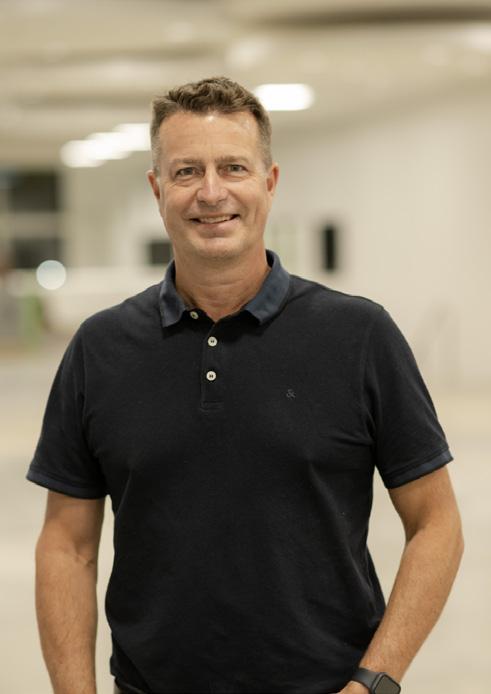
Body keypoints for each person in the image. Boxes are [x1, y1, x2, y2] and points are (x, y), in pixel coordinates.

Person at [28, 76, 464, 694]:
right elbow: (67, 545)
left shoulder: (359, 336)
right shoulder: (99, 348)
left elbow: (436, 524)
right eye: (186, 172)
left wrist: (373, 683)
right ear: (157, 189)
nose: (211, 193)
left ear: (269, 181)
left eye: (233, 167)